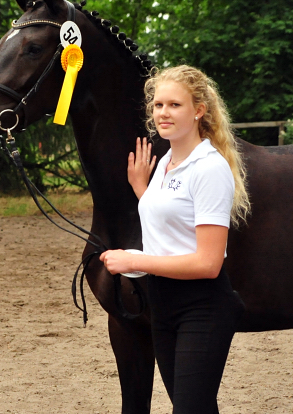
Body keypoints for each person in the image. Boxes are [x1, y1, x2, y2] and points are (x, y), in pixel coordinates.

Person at [100, 65, 250, 414]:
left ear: (199, 111)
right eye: (158, 105)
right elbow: (173, 223)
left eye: (174, 105)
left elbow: (208, 263)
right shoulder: (166, 161)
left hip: (202, 308)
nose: (163, 113)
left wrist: (133, 260)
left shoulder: (208, 168)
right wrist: (144, 192)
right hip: (163, 305)